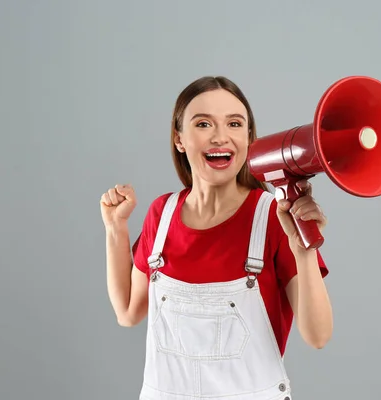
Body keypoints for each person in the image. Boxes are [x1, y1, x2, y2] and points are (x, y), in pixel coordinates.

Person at [100, 76, 333, 400]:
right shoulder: (161, 215)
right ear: (179, 138)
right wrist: (116, 228)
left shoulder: (272, 217)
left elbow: (318, 335)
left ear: (249, 138)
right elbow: (127, 312)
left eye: (234, 123)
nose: (220, 136)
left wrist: (303, 251)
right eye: (203, 123)